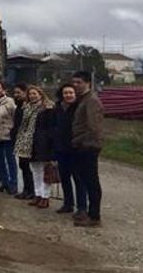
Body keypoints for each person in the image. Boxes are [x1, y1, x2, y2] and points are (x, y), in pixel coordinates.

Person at [71, 71, 104, 227]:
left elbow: (93, 127)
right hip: (83, 145)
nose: (75, 85)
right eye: (74, 82)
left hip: (88, 146)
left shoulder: (91, 101)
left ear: (87, 83)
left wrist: (80, 142)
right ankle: (90, 213)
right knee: (85, 179)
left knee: (91, 181)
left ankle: (94, 216)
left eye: (79, 82)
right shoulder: (82, 100)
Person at [54, 83, 87, 217]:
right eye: (65, 93)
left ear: (75, 94)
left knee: (78, 179)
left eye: (71, 93)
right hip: (61, 148)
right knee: (64, 177)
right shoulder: (58, 108)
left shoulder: (79, 108)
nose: (68, 95)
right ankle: (68, 204)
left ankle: (82, 207)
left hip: (76, 148)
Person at [27, 86, 56, 208]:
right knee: (35, 170)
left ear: (40, 94)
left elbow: (51, 127)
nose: (32, 96)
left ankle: (45, 196)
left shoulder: (48, 108)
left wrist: (50, 142)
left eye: (35, 93)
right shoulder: (27, 108)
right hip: (30, 142)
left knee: (46, 171)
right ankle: (37, 194)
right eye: (30, 94)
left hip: (44, 142)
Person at [12, 84, 39, 200]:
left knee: (29, 167)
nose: (16, 95)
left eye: (34, 94)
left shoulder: (34, 108)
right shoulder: (22, 107)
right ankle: (26, 189)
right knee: (23, 165)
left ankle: (32, 191)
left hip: (30, 140)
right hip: (21, 139)